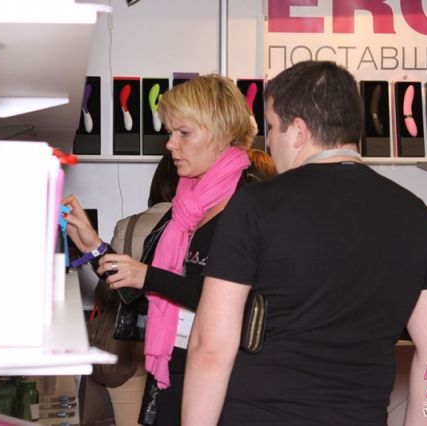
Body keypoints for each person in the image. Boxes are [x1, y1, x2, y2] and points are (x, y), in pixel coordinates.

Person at [183, 60, 427, 426]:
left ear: (298, 131)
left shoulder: (255, 206)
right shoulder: (415, 214)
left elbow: (211, 347)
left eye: (272, 127)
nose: (269, 141)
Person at [63, 74, 258, 426]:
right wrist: (94, 247)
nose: (170, 144)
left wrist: (149, 276)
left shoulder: (251, 208)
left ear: (222, 133)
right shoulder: (183, 210)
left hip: (227, 384)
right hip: (171, 374)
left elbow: (234, 302)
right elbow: (143, 299)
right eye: (170, 132)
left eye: (183, 133)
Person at [106, 151, 179, 426]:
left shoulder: (127, 225)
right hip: (171, 346)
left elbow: (108, 291)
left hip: (129, 348)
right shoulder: (196, 226)